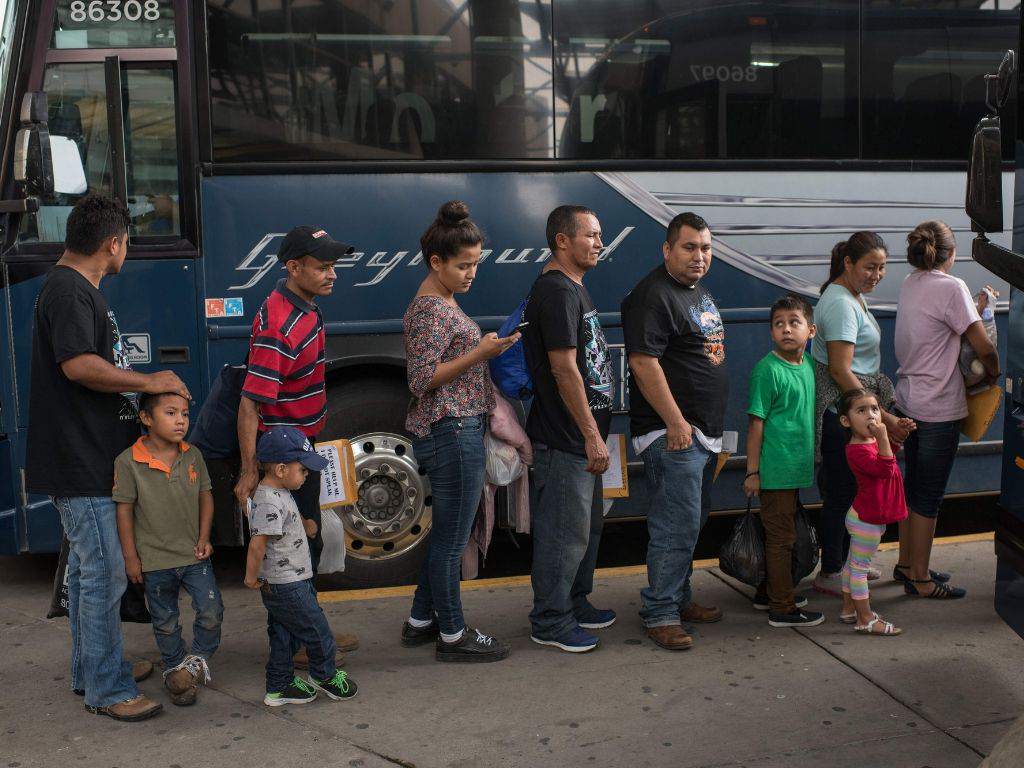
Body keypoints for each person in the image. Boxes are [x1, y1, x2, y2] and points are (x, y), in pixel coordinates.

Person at [25, 194, 190, 721]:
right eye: (126, 241)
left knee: (84, 574)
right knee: (104, 575)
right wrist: (150, 380)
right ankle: (108, 689)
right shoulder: (70, 291)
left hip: (86, 456)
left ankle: (92, 667)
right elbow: (78, 365)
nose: (128, 250)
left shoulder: (72, 287)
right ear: (112, 243)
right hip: (81, 460)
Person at [233, 225, 359, 666]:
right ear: (293, 268)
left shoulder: (303, 306)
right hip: (285, 458)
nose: (332, 276)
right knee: (294, 552)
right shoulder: (280, 325)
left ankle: (310, 631)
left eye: (333, 266)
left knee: (308, 544)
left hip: (303, 446)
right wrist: (251, 471)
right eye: (323, 267)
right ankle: (303, 643)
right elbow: (250, 405)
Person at [400, 201, 516, 662]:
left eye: (475, 264)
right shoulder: (429, 309)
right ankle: (452, 635)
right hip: (451, 431)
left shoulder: (443, 301)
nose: (471, 274)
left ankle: (420, 621)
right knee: (452, 540)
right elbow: (420, 379)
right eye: (463, 265)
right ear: (436, 262)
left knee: (447, 533)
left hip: (454, 428)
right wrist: (481, 353)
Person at [622, 212, 727, 651]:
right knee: (675, 526)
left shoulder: (693, 290)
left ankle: (679, 598)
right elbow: (643, 364)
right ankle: (661, 611)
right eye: (689, 247)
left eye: (705, 247)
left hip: (699, 435)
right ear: (667, 250)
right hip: (675, 435)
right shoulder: (653, 295)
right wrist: (676, 423)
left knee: (691, 521)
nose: (699, 256)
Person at [522, 205, 615, 653]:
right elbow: (564, 370)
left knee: (586, 528)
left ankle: (575, 602)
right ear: (562, 240)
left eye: (600, 236)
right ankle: (551, 619)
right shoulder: (557, 292)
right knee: (564, 532)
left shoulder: (575, 288)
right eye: (592, 235)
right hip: (566, 439)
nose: (600, 243)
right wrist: (591, 435)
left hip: (581, 438)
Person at [893, 221, 999, 599]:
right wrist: (995, 370)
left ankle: (907, 563)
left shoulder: (910, 284)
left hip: (908, 401)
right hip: (938, 406)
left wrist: (975, 308)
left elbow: (939, 329)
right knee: (929, 495)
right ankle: (920, 579)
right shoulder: (952, 287)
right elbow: (982, 346)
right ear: (951, 254)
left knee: (912, 487)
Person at [811, 231, 915, 597]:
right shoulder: (840, 303)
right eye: (870, 267)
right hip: (842, 413)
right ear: (848, 264)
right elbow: (841, 370)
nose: (877, 274)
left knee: (853, 491)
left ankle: (849, 564)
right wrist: (882, 418)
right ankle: (831, 571)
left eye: (883, 268)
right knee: (841, 493)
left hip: (855, 409)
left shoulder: (851, 296)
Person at [113, 392, 223, 706]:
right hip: (154, 560)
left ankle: (194, 662)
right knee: (165, 621)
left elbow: (206, 496)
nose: (181, 421)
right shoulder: (127, 461)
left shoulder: (193, 455)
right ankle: (174, 669)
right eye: (171, 413)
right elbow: (124, 511)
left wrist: (205, 537)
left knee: (212, 611)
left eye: (185, 414)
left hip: (194, 555)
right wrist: (131, 557)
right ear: (146, 418)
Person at [244, 427, 358, 706]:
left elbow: (280, 528)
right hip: (287, 586)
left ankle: (279, 687)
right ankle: (324, 675)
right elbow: (258, 544)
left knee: (285, 636)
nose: (307, 476)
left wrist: (303, 525)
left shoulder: (279, 492)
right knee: (318, 632)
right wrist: (250, 577)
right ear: (281, 469)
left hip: (290, 581)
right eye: (303, 471)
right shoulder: (269, 501)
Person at [743, 295, 825, 628]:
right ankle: (782, 606)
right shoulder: (767, 370)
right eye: (779, 324)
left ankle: (768, 591)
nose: (786, 329)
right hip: (775, 470)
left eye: (794, 322)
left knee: (780, 534)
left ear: (811, 331)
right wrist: (752, 471)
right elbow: (756, 423)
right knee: (781, 540)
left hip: (794, 469)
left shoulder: (805, 367)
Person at [837, 389, 908, 635]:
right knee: (859, 569)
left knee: (851, 564)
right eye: (861, 410)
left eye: (875, 409)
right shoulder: (856, 450)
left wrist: (899, 436)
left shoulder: (870, 441)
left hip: (866, 515)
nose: (871, 416)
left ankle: (848, 609)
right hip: (866, 520)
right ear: (846, 421)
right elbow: (886, 468)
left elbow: (890, 453)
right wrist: (885, 436)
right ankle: (865, 618)